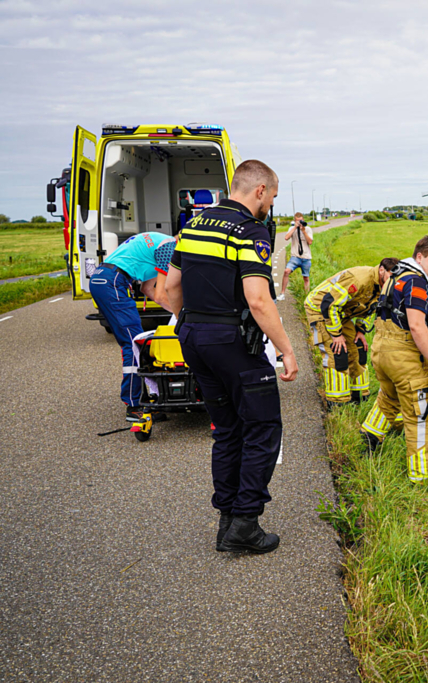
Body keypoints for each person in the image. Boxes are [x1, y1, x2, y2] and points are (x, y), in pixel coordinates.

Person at [164, 159, 298, 554]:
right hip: (233, 344)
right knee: (262, 428)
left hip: (192, 336)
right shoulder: (249, 230)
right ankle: (245, 524)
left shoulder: (192, 226)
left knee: (226, 430)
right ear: (260, 190)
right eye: (271, 198)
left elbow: (172, 286)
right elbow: (258, 300)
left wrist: (191, 324)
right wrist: (287, 350)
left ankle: (226, 518)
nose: (270, 207)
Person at [359, 235, 428, 483]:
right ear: (419, 257)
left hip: (381, 353)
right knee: (420, 417)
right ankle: (422, 477)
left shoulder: (396, 276)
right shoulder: (417, 281)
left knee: (388, 401)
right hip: (404, 360)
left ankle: (365, 444)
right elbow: (416, 327)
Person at [89, 231, 178, 421]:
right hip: (113, 281)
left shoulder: (160, 244)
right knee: (134, 344)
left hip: (105, 278)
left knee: (136, 343)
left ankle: (144, 400)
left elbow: (148, 289)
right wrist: (183, 315)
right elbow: (162, 295)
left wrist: (175, 311)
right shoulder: (169, 247)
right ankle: (134, 405)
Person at [304, 258, 399, 408]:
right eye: (391, 276)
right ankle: (337, 404)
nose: (394, 282)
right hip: (321, 308)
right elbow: (329, 304)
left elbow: (370, 309)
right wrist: (336, 335)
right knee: (337, 353)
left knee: (358, 349)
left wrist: (360, 330)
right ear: (382, 270)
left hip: (341, 312)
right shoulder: (359, 279)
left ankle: (358, 397)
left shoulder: (385, 286)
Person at [280, 213, 313, 297]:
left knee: (306, 278)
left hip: (306, 257)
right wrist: (295, 227)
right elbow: (286, 237)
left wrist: (304, 231)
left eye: (301, 220)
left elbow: (310, 242)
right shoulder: (292, 228)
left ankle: (306, 296)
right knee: (286, 271)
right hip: (295, 257)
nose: (300, 222)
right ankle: (282, 293)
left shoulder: (308, 229)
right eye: (298, 221)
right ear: (295, 221)